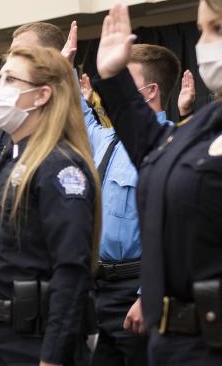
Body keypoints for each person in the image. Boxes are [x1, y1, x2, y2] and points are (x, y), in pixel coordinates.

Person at [91, 0, 222, 363]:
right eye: (201, 30)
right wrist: (113, 79)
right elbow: (152, 152)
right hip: (176, 343)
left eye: (217, 28)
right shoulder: (206, 122)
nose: (205, 43)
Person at [0, 47, 100, 365]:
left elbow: (71, 272)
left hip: (32, 345)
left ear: (41, 96)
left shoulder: (61, 167)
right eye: (0, 76)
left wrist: (51, 358)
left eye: (10, 79)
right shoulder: (8, 161)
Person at [79, 41, 180, 366]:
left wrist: (146, 295)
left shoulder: (168, 145)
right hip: (100, 291)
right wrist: (61, 65)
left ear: (149, 91)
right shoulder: (107, 138)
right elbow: (75, 114)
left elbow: (171, 231)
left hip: (135, 290)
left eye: (122, 81)